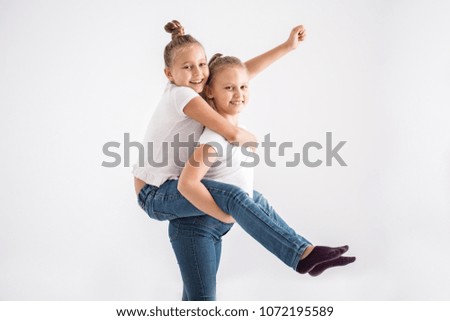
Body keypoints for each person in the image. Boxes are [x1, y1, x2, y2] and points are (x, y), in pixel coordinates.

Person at [133, 20, 354, 300]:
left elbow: (236, 76)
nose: (198, 73)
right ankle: (300, 255)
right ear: (169, 73)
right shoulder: (182, 95)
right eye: (187, 67)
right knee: (237, 199)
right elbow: (230, 131)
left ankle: (304, 251)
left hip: (169, 188)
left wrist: (286, 47)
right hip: (155, 193)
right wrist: (251, 143)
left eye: (202, 65)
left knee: (253, 199)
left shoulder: (199, 87)